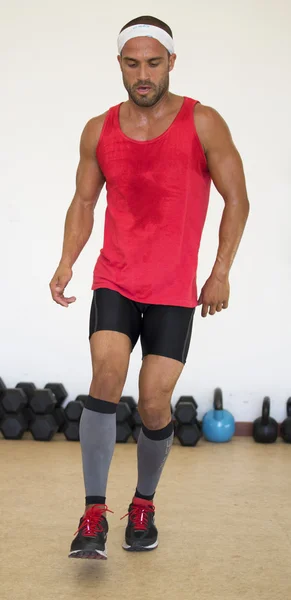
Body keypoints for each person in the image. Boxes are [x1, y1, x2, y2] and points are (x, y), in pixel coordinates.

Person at [49, 15, 249, 559]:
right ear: (119, 64)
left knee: (155, 404)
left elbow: (238, 198)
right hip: (115, 277)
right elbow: (85, 202)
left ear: (171, 63)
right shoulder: (99, 129)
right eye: (133, 63)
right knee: (106, 376)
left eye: (153, 63)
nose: (143, 74)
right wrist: (68, 260)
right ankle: (93, 515)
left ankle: (143, 503)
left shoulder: (202, 122)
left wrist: (221, 269)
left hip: (173, 291)